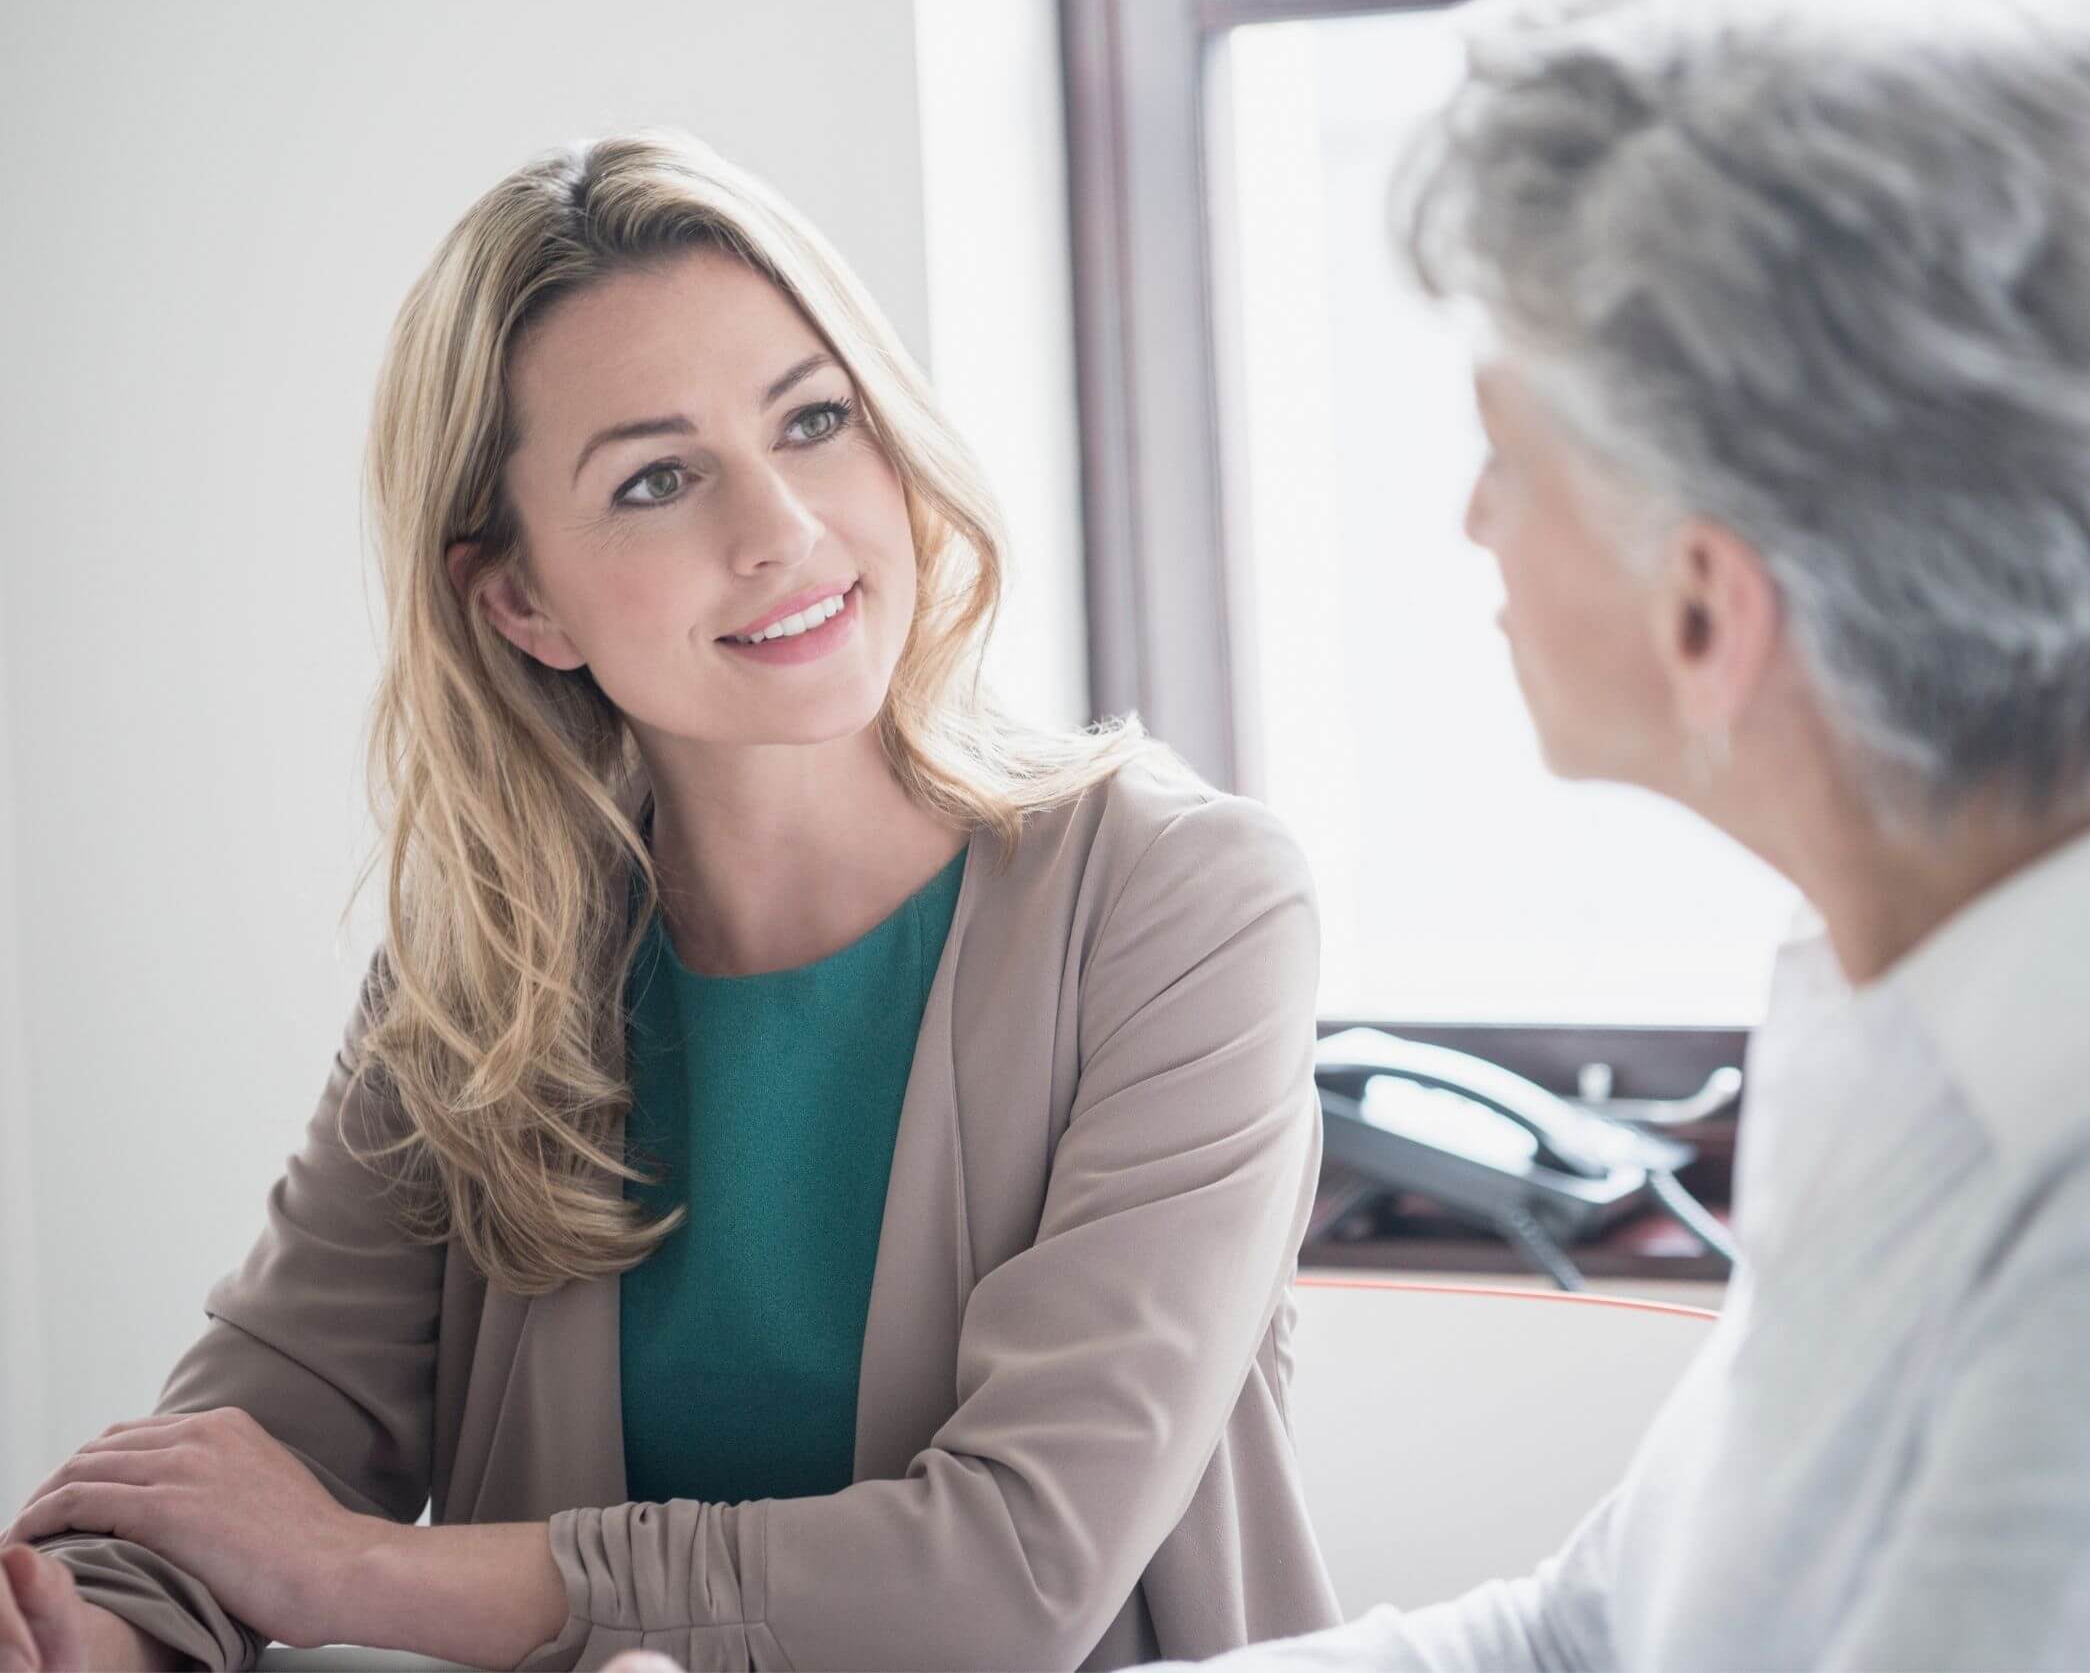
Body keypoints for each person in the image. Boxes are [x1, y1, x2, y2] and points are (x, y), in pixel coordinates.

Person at [1135, 0, 2090, 1667]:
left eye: (1505, 458)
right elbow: (1588, 1638)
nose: (1470, 523)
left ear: (1709, 616)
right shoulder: (1952, 988)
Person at [0, 128, 1339, 1671]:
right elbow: (234, 1486)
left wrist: (366, 1577)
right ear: (518, 600)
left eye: (816, 420)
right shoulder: (481, 983)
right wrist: (69, 1631)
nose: (781, 527)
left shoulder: (1183, 905)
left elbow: (1011, 1578)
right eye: (655, 479)